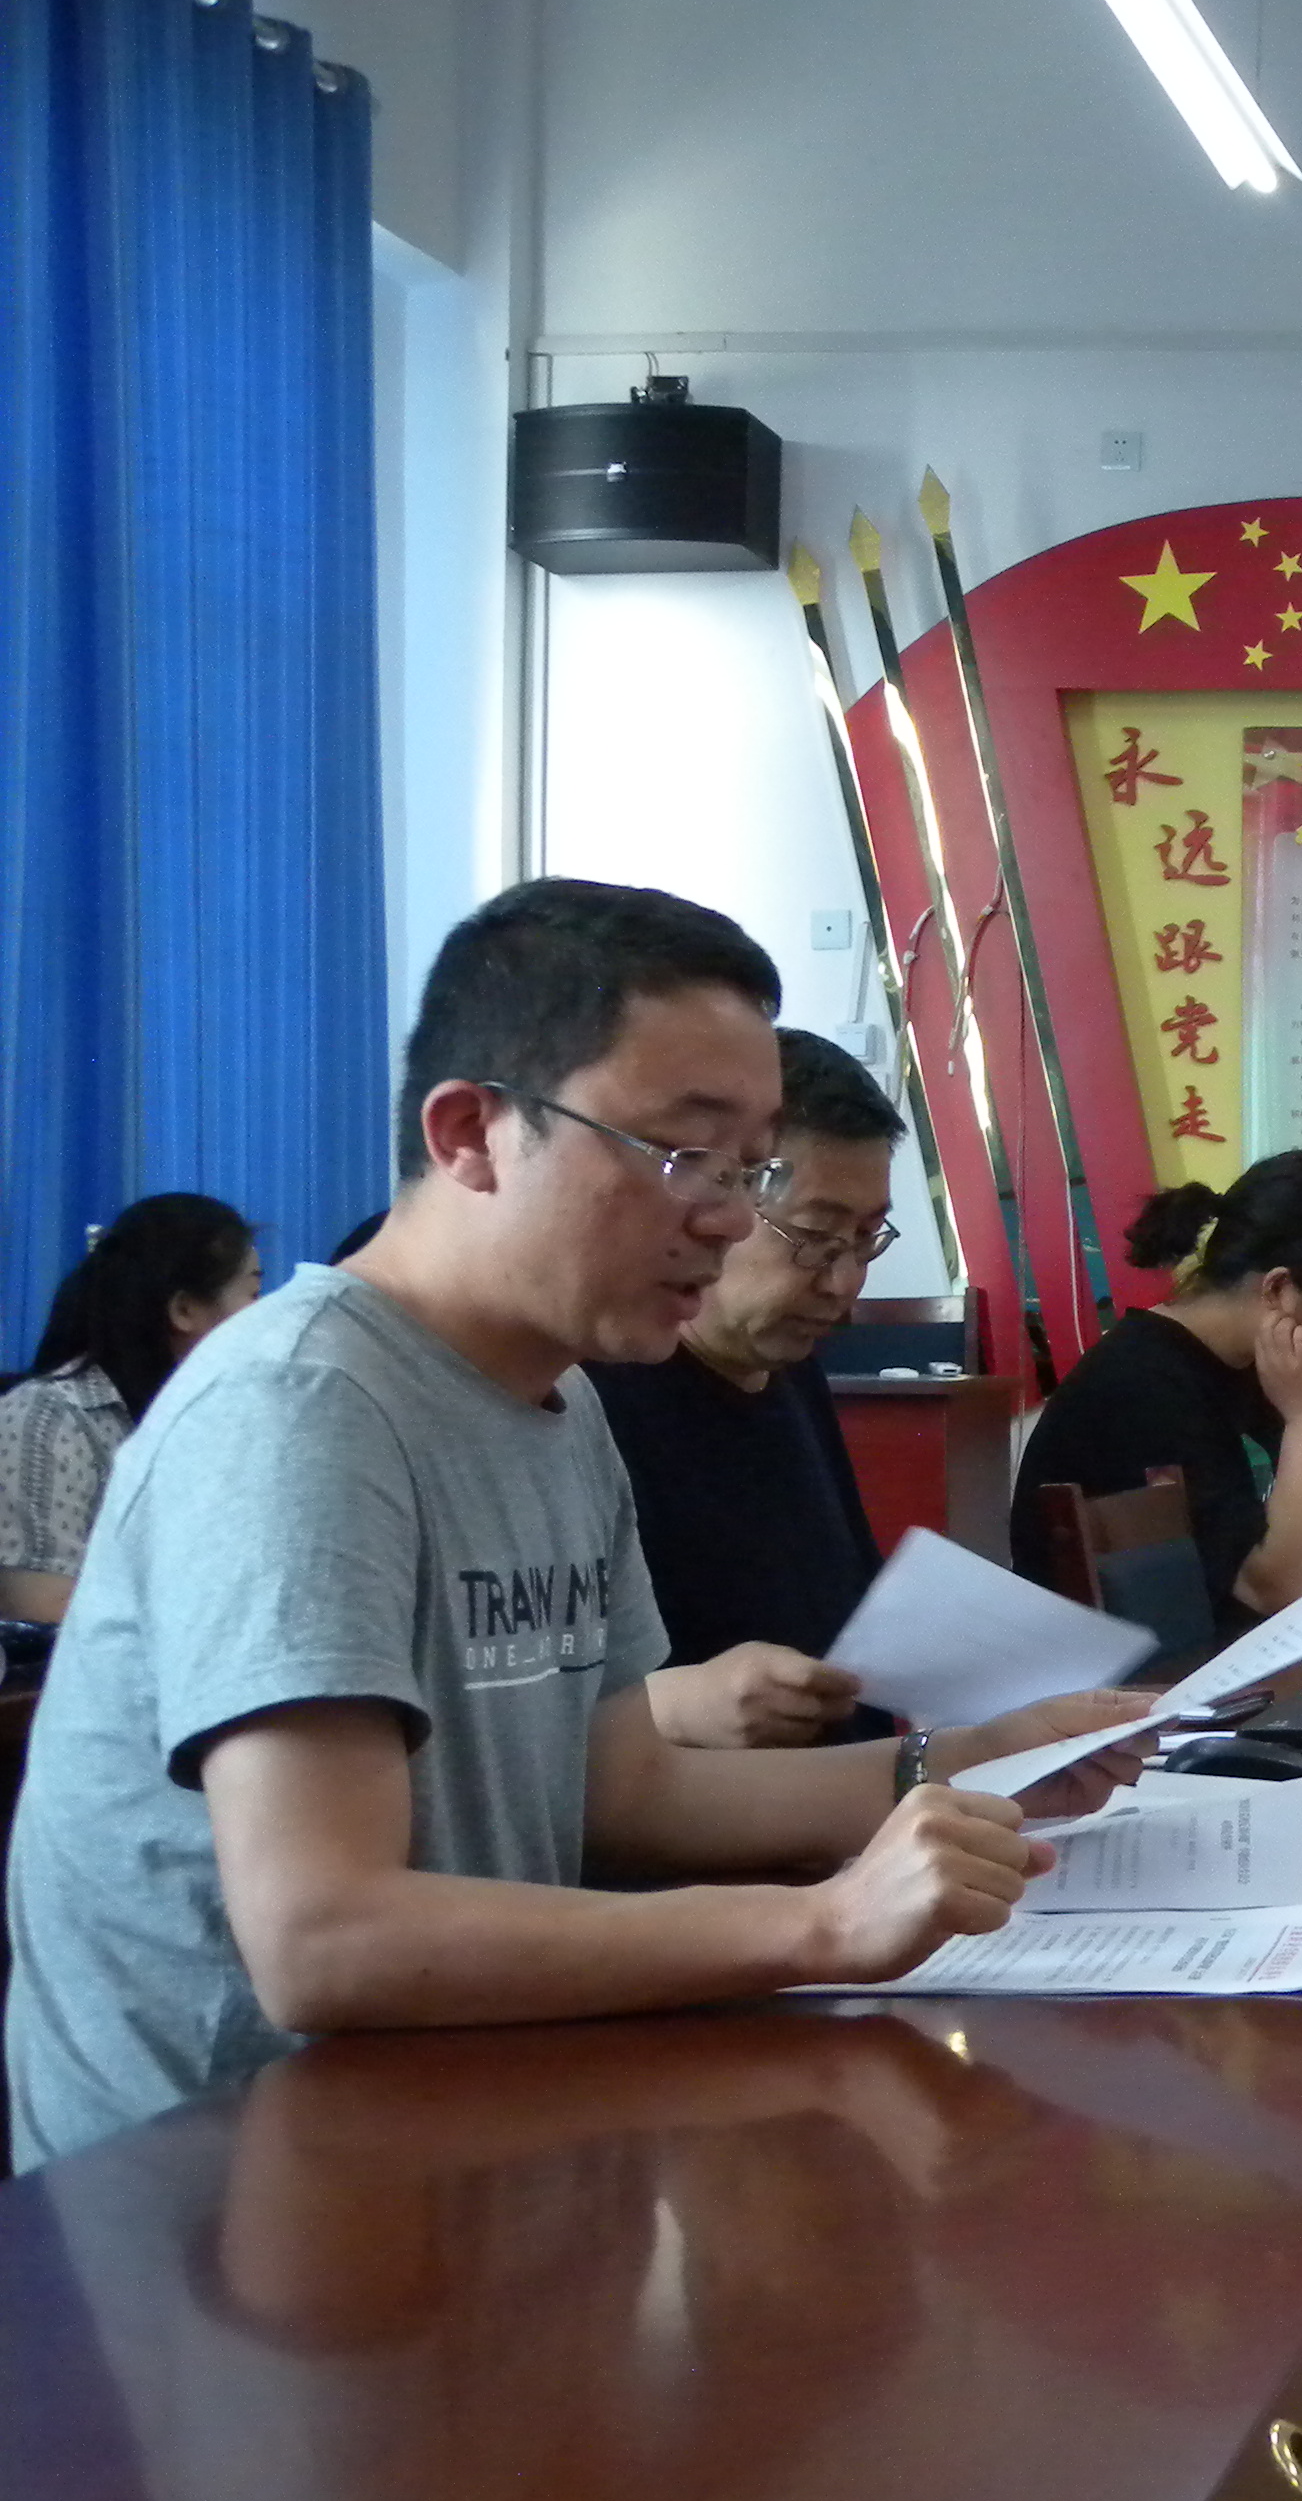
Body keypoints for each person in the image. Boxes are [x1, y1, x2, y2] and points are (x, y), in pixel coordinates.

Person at [3, 877, 1141, 2172]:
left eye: (750, 1168)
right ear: (471, 1134)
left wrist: (959, 1764)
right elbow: (324, 1937)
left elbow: (625, 1792)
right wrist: (825, 1925)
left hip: (471, 2124)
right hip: (224, 2199)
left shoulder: (563, 1400)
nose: (727, 1215)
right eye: (682, 1154)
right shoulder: (302, 1407)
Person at [587, 1029, 909, 1748]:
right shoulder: (595, 1397)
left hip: (850, 1794)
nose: (843, 1283)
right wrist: (676, 1706)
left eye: (866, 1239)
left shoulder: (791, 1370)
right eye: (815, 1237)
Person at [1012, 1150, 1302, 1659]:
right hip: (1136, 1686)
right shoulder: (1146, 1385)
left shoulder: (1241, 1368)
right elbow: (1271, 1588)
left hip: (1213, 1664)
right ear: (1278, 1287)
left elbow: (1276, 1538)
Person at [0, 1191, 262, 1621]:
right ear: (184, 1310)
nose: (266, 1316)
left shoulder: (222, 1419)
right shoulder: (50, 1417)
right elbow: (40, 1606)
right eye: (254, 1293)